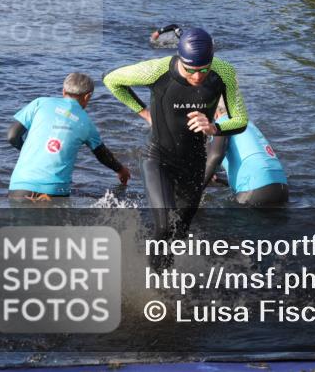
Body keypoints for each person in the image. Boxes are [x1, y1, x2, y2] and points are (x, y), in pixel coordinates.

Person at [103, 28, 248, 248]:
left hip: (195, 162)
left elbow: (241, 120)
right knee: (164, 227)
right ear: (180, 59)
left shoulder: (224, 72)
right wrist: (143, 112)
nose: (198, 76)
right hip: (158, 158)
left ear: (212, 61)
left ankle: (168, 277)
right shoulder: (157, 70)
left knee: (180, 232)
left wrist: (213, 127)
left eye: (204, 69)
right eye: (190, 69)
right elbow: (112, 80)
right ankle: (153, 281)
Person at [7, 73, 131, 200]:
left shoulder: (39, 103)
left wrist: (28, 151)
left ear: (63, 91)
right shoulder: (86, 123)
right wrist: (121, 170)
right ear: (87, 96)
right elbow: (102, 154)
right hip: (55, 190)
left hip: (20, 186)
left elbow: (12, 136)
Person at [206, 106, 288, 206]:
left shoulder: (222, 122)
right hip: (282, 187)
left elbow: (215, 155)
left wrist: (195, 191)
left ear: (215, 115)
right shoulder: (247, 124)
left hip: (255, 188)